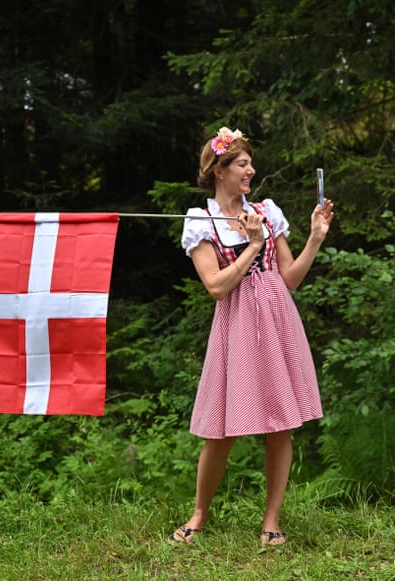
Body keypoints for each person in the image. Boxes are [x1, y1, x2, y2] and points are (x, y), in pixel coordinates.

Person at [169, 127, 334, 546]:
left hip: (277, 319)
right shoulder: (201, 221)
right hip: (236, 323)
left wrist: (314, 237)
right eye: (242, 163)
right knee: (220, 430)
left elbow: (291, 277)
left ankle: (272, 521)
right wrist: (251, 245)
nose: (251, 170)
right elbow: (216, 286)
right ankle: (199, 514)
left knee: (280, 424)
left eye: (249, 163)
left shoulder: (267, 210)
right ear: (220, 171)